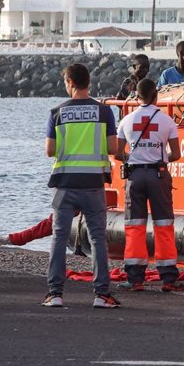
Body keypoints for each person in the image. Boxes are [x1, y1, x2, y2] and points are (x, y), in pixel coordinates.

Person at [44, 63, 120, 308]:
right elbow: (112, 149)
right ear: (88, 82)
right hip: (93, 184)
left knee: (59, 236)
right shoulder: (104, 112)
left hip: (65, 184)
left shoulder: (57, 112)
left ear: (69, 83)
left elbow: (50, 150)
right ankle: (102, 294)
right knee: (98, 239)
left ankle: (55, 294)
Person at [115, 79, 184, 292]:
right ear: (156, 96)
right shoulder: (166, 121)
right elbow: (177, 154)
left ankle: (135, 278)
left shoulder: (126, 120)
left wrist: (135, 157)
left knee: (134, 225)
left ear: (137, 97)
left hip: (135, 176)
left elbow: (118, 153)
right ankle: (169, 278)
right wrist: (160, 156)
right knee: (163, 225)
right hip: (159, 175)